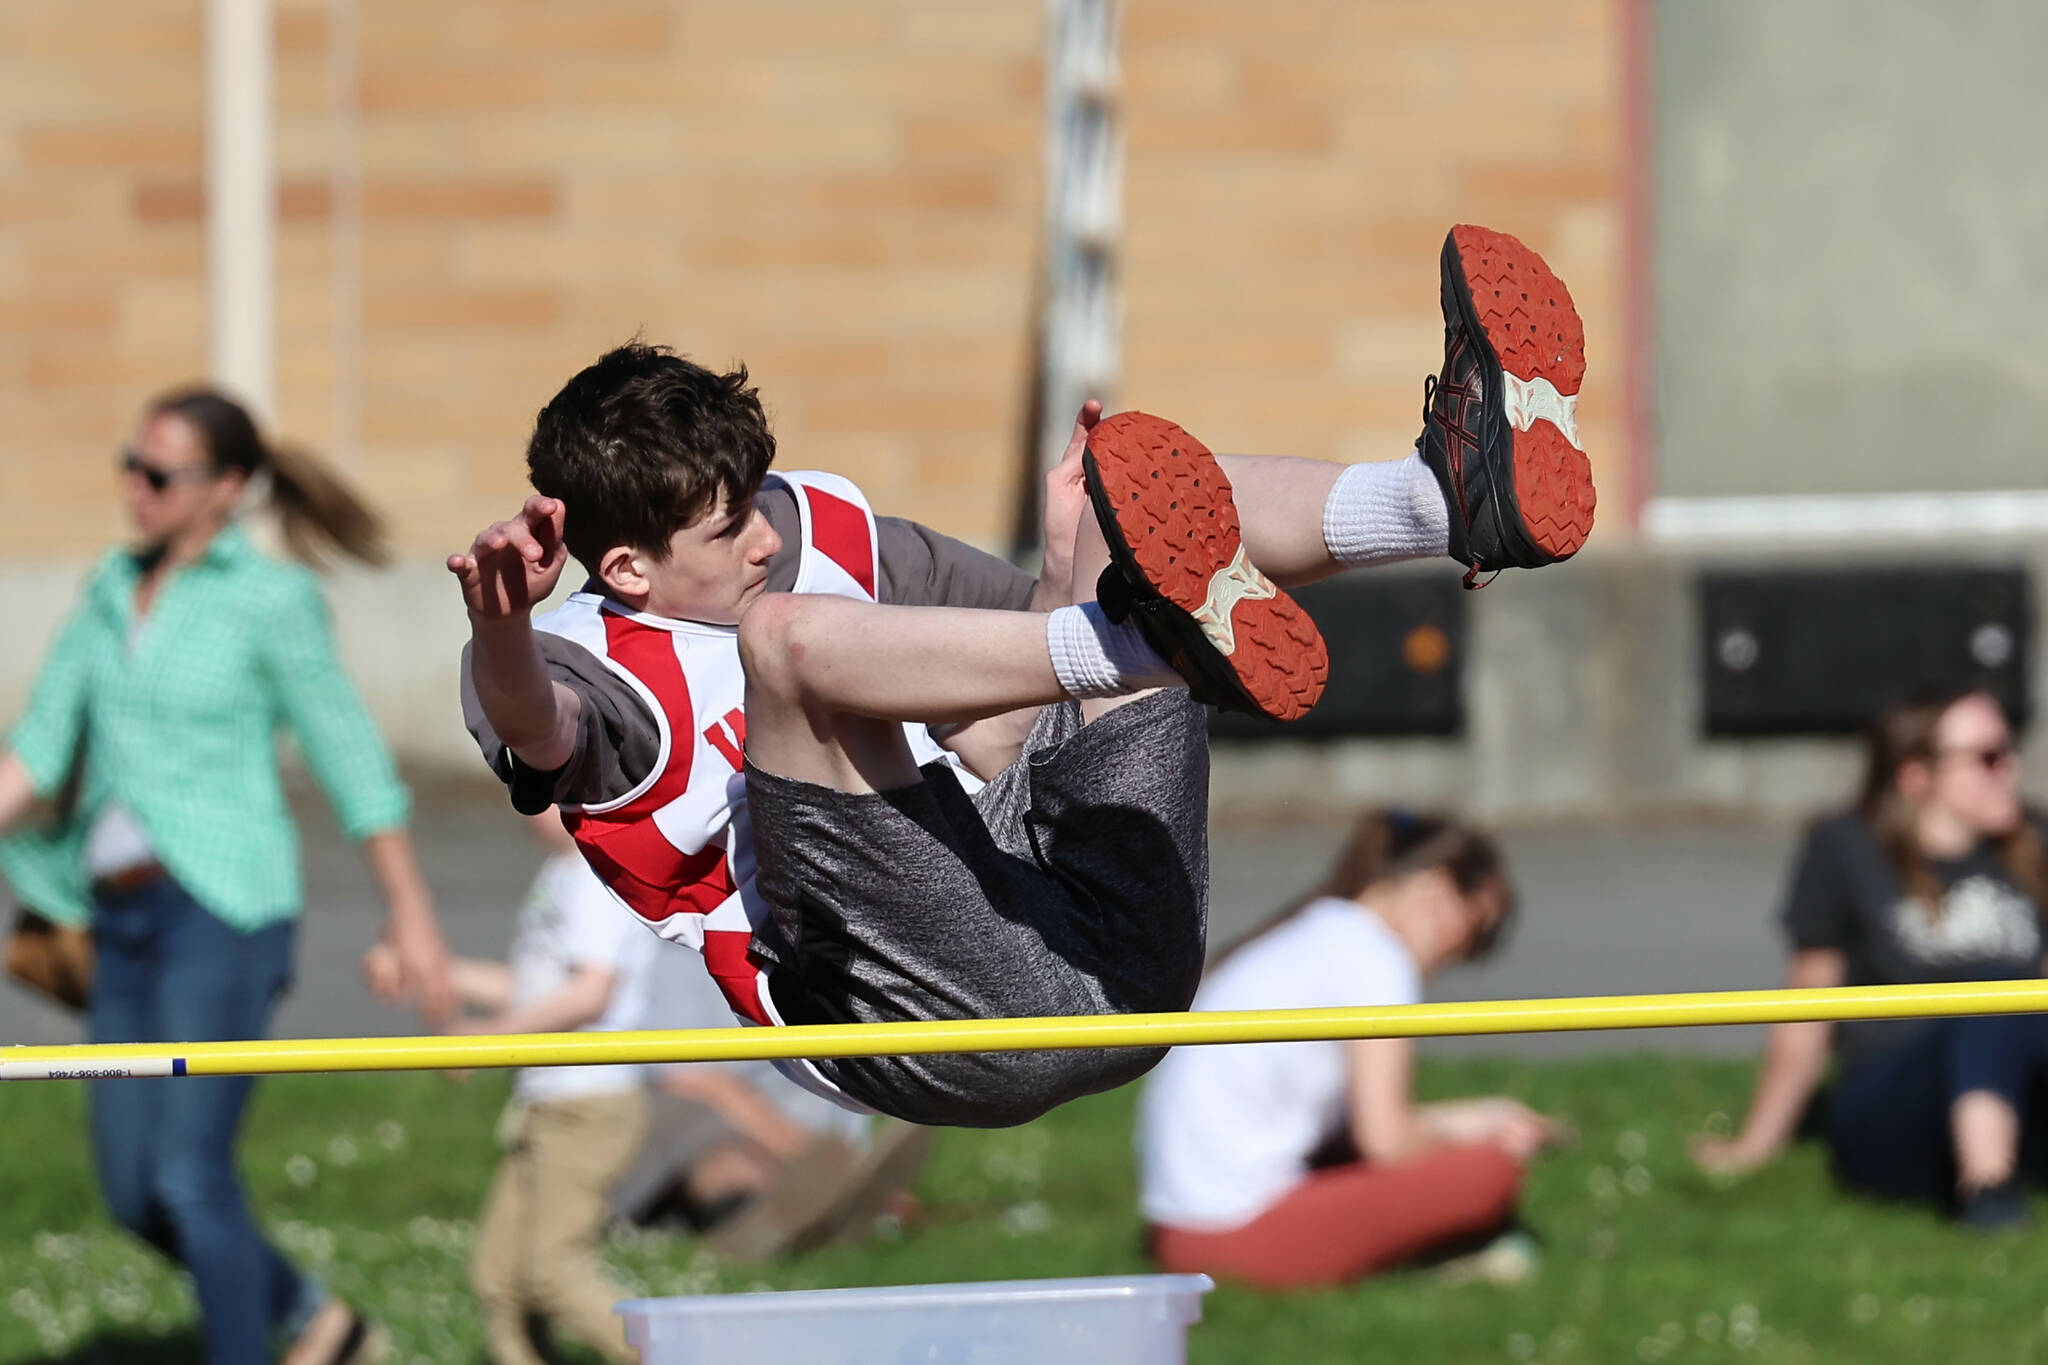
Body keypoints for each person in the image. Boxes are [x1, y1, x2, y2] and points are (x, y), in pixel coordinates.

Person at [451, 225, 1595, 1128]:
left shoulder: (820, 527)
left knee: (1111, 503)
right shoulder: (579, 666)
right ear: (626, 568)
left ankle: (1444, 502)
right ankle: (1153, 645)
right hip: (913, 1021)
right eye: (723, 530)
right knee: (787, 644)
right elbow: (537, 729)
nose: (762, 538)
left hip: (1117, 961)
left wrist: (1058, 576)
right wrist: (501, 624)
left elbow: (1008, 716)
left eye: (756, 501)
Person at [0, 387, 453, 1365]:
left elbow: (350, 757)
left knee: (189, 1171)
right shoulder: (110, 588)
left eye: (159, 474)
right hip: (115, 923)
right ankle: (318, 1319)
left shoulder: (270, 600)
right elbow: (35, 756)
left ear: (228, 486)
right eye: (130, 465)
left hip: (223, 914)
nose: (135, 487)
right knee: (132, 1191)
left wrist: (410, 913)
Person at [1136, 810, 1565, 1289]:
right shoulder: (1376, 958)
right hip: (1227, 1236)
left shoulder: (1320, 932)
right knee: (1491, 1173)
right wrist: (1480, 1144)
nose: (1464, 952)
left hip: (1180, 1224)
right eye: (1477, 928)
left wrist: (1473, 1121)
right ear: (1436, 889)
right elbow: (1386, 1142)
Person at [1693, 687, 2048, 1228]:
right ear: (1916, 775)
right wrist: (1754, 1145)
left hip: (2022, 1094)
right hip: (1894, 1106)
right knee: (1992, 990)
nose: (2011, 770)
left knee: (2007, 1002)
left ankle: (1994, 1175)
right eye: (1989, 757)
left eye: (2009, 750)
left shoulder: (2035, 841)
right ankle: (1988, 1189)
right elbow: (1808, 1006)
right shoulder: (1845, 848)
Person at [372, 810, 655, 1365]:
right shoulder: (561, 873)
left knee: (553, 1274)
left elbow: (590, 993)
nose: (523, 800)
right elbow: (531, 990)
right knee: (497, 1276)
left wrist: (489, 1039)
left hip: (587, 1104)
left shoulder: (596, 875)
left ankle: (671, 1353)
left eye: (541, 785)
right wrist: (433, 971)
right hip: (546, 1103)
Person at [613, 943, 934, 1261]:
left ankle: (825, 1205)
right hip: (683, 1122)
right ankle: (774, 1217)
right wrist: (815, 1158)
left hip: (777, 1111)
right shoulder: (680, 954)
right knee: (729, 1157)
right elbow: (690, 1078)